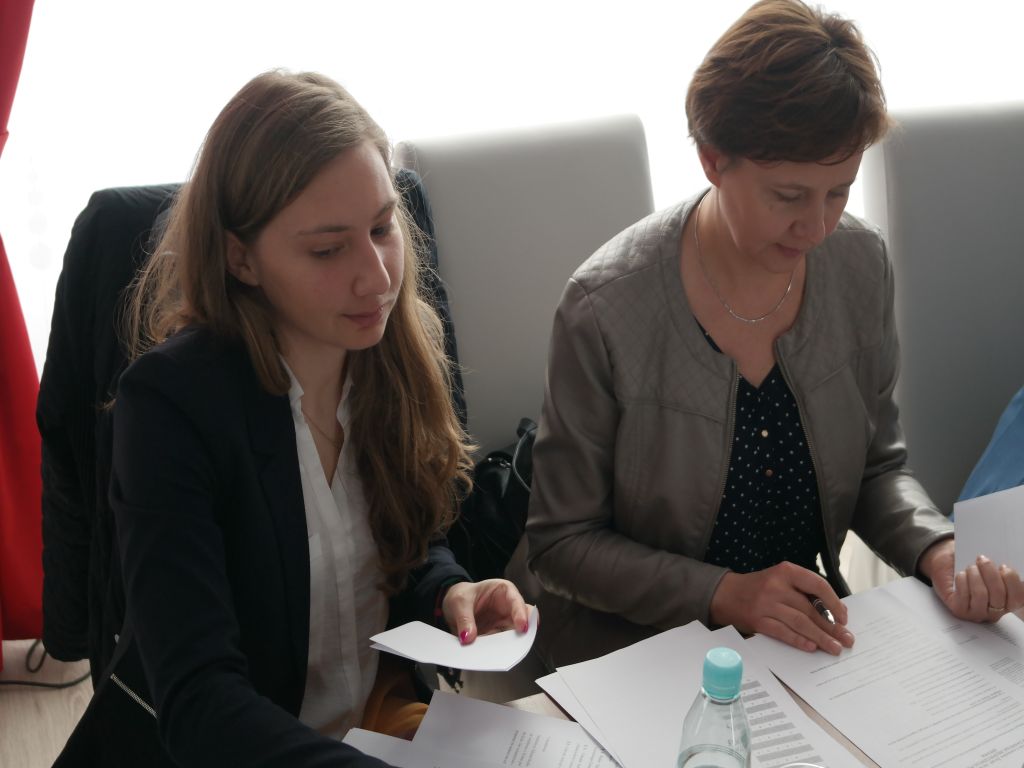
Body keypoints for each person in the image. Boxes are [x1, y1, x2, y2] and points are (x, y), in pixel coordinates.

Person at [525, 0, 1023, 669]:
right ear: (712, 160)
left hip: (800, 644)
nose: (816, 228)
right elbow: (561, 545)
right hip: (637, 656)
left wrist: (937, 548)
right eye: (788, 197)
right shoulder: (602, 308)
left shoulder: (859, 263)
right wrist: (723, 593)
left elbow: (877, 468)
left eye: (839, 192)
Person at [55, 70, 529, 767]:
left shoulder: (388, 352)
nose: (377, 277)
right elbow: (200, 702)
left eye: (382, 228)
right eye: (328, 249)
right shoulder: (171, 406)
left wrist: (447, 590)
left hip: (370, 720)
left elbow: (400, 541)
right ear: (241, 258)